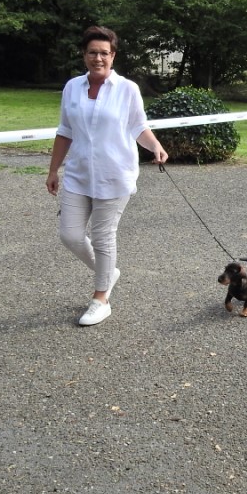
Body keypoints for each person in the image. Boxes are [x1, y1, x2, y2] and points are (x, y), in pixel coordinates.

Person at [46, 26, 168, 326]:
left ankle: (101, 299)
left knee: (103, 237)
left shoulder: (127, 89)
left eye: (104, 53)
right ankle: (108, 271)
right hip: (78, 174)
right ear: (84, 55)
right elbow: (65, 131)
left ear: (113, 56)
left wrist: (155, 146)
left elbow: (138, 126)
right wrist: (53, 170)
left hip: (114, 175)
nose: (98, 58)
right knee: (70, 235)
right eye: (92, 52)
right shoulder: (72, 87)